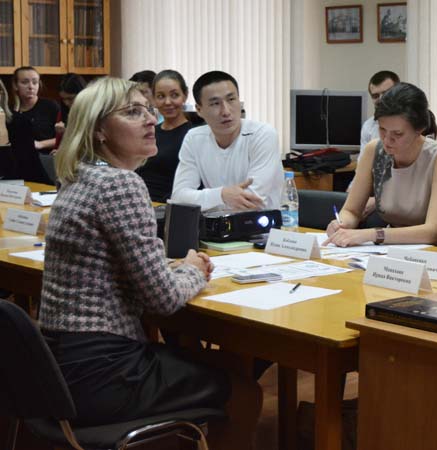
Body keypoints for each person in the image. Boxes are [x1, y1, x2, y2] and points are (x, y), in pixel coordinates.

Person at [40, 77, 261, 448]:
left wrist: (170, 268)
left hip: (58, 367)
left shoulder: (78, 178)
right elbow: (163, 299)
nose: (150, 120)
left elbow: (121, 267)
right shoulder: (120, 185)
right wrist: (194, 269)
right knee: (244, 392)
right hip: (103, 373)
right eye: (132, 112)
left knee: (223, 367)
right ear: (99, 130)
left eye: (148, 110)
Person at [325, 82, 437, 248]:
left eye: (397, 134)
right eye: (382, 129)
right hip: (391, 248)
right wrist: (342, 224)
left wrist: (371, 234)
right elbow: (352, 211)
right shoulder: (374, 151)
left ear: (419, 129)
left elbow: (433, 232)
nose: (387, 140)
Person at [171, 70, 283, 212]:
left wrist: (208, 200)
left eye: (231, 100)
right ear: (199, 110)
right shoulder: (194, 138)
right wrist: (222, 195)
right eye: (215, 103)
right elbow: (179, 198)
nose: (226, 111)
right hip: (217, 224)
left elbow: (253, 201)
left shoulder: (262, 134)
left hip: (263, 224)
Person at [137, 70, 193, 202]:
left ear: (185, 95)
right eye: (161, 96)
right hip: (139, 201)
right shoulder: (149, 132)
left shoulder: (193, 136)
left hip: (169, 206)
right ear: (153, 99)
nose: (167, 102)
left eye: (174, 95)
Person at [11, 66, 60, 153]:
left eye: (35, 82)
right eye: (24, 82)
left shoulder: (50, 106)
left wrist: (40, 144)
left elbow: (67, 137)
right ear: (15, 85)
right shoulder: (10, 110)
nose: (31, 86)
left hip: (46, 156)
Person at [360, 70, 400, 154]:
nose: (381, 99)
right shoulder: (369, 126)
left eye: (387, 93)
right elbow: (364, 160)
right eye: (375, 96)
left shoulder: (413, 122)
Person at [54, 73, 87, 148]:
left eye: (70, 98)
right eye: (63, 99)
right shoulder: (63, 112)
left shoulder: (93, 113)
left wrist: (67, 133)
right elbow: (58, 145)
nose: (66, 103)